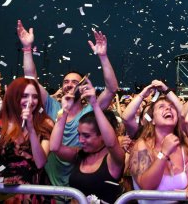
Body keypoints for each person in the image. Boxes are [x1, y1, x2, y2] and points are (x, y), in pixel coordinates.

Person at [17, 20, 118, 200]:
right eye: (65, 82)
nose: (69, 85)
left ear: (82, 86)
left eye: (74, 81)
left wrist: (103, 56)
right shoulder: (52, 106)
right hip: (50, 184)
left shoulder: (90, 112)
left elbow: (111, 89)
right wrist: (27, 48)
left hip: (78, 182)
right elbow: (31, 79)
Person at [50, 78, 125, 204]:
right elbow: (54, 147)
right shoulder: (79, 155)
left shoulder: (114, 159)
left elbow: (111, 143)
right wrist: (65, 112)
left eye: (86, 135)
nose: (80, 140)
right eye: (79, 134)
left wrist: (95, 104)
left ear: (102, 136)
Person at [0, 77, 54, 203]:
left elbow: (40, 162)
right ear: (12, 97)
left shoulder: (45, 123)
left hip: (35, 191)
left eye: (35, 97)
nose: (30, 101)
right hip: (5, 192)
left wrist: (31, 129)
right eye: (25, 96)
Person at [129, 93, 188, 204]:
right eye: (161, 106)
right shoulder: (142, 146)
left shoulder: (183, 148)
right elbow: (147, 186)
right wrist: (163, 153)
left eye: (172, 107)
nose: (168, 108)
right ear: (153, 120)